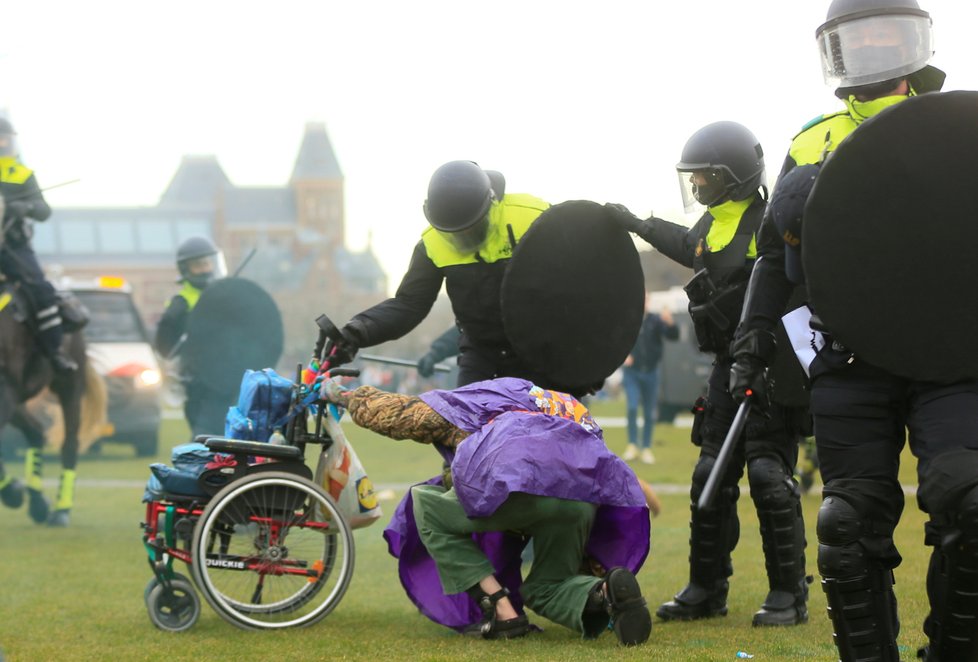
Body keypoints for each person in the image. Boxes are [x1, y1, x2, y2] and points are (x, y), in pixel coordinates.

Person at [728, 1, 961, 660]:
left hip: (952, 355)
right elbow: (774, 259)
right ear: (837, 49)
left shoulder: (957, 126)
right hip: (848, 358)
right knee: (847, 522)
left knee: (970, 501)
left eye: (890, 33)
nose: (877, 48)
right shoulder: (811, 141)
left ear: (917, 41)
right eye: (862, 36)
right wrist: (750, 341)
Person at [606, 120, 811, 627]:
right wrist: (638, 225)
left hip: (771, 368)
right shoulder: (713, 224)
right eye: (692, 178)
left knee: (768, 476)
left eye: (703, 178)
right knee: (709, 475)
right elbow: (689, 245)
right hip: (725, 369)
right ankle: (705, 588)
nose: (696, 186)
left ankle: (788, 594)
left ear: (732, 177)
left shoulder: (770, 220)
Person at [320, 375, 653, 645]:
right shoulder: (566, 405)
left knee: (426, 505)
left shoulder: (482, 399)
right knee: (547, 587)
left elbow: (399, 414)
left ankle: (502, 612)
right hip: (579, 503)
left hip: (524, 488)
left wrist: (344, 395)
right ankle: (604, 592)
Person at [328, 161, 550, 387]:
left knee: (555, 422)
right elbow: (408, 305)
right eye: (455, 235)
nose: (466, 239)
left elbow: (580, 279)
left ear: (492, 203)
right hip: (482, 356)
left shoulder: (536, 218)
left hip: (544, 352)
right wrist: (356, 332)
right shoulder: (432, 245)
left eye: (474, 229)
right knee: (467, 421)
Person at [0, 118, 76, 373]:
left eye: (6, 139)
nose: (3, 144)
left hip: (12, 247)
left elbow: (44, 211)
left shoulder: (22, 174)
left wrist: (25, 207)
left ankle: (54, 353)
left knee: (41, 290)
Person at [154, 235, 228, 437]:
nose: (205, 269)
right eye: (198, 265)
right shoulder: (180, 303)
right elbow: (164, 345)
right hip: (198, 382)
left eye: (207, 263)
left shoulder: (223, 295)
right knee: (204, 435)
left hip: (227, 377)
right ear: (186, 269)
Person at [621, 304, 679, 464]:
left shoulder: (655, 320)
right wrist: (624, 355)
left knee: (649, 412)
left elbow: (674, 336)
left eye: (647, 298)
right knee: (632, 407)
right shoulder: (629, 319)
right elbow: (617, 338)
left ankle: (646, 448)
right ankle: (632, 445)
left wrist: (670, 323)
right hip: (632, 372)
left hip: (651, 372)